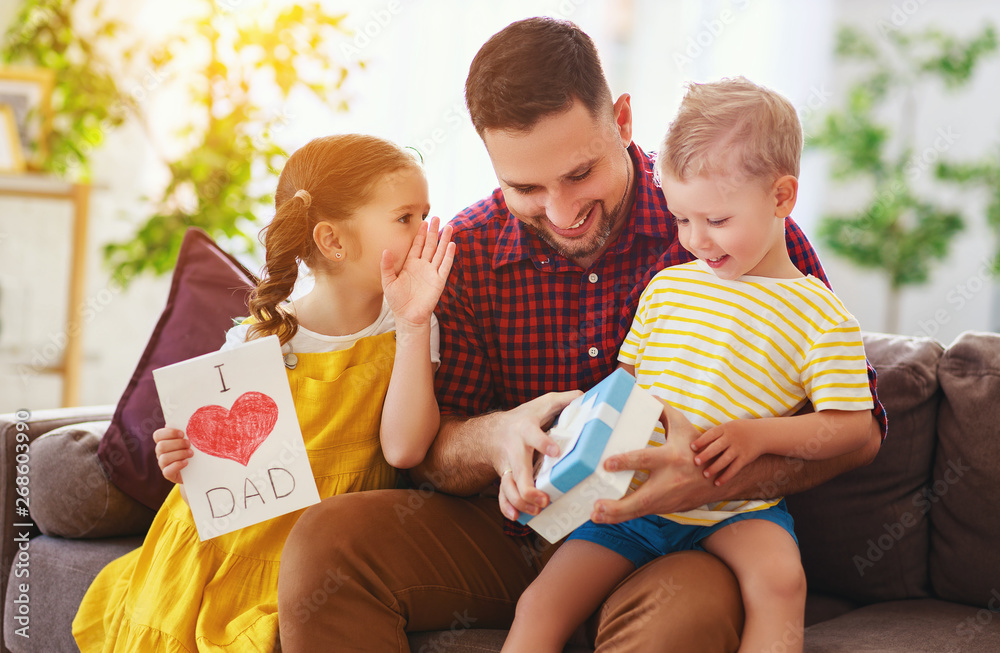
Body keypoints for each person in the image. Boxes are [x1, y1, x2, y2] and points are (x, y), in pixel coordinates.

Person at [277, 18, 887, 652]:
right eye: (527, 188)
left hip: (674, 536)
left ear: (622, 121)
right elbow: (427, 450)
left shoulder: (731, 229)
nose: (563, 213)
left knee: (682, 618)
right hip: (508, 533)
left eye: (578, 174)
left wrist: (719, 478)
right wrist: (495, 436)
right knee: (329, 546)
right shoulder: (470, 251)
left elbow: (855, 433)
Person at [502, 77, 875, 653]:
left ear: (781, 198)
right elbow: (623, 390)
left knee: (781, 581)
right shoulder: (668, 288)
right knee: (540, 604)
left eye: (718, 221)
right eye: (681, 220)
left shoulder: (821, 316)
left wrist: (757, 436)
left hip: (738, 509)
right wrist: (562, 466)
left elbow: (852, 427)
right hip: (631, 501)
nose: (696, 240)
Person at [72, 134, 456, 651]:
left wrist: (414, 326)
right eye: (405, 217)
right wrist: (183, 464)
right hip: (240, 542)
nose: (426, 231)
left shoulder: (411, 322)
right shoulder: (261, 338)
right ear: (332, 241)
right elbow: (217, 474)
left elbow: (404, 449)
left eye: (426, 213)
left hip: (327, 546)